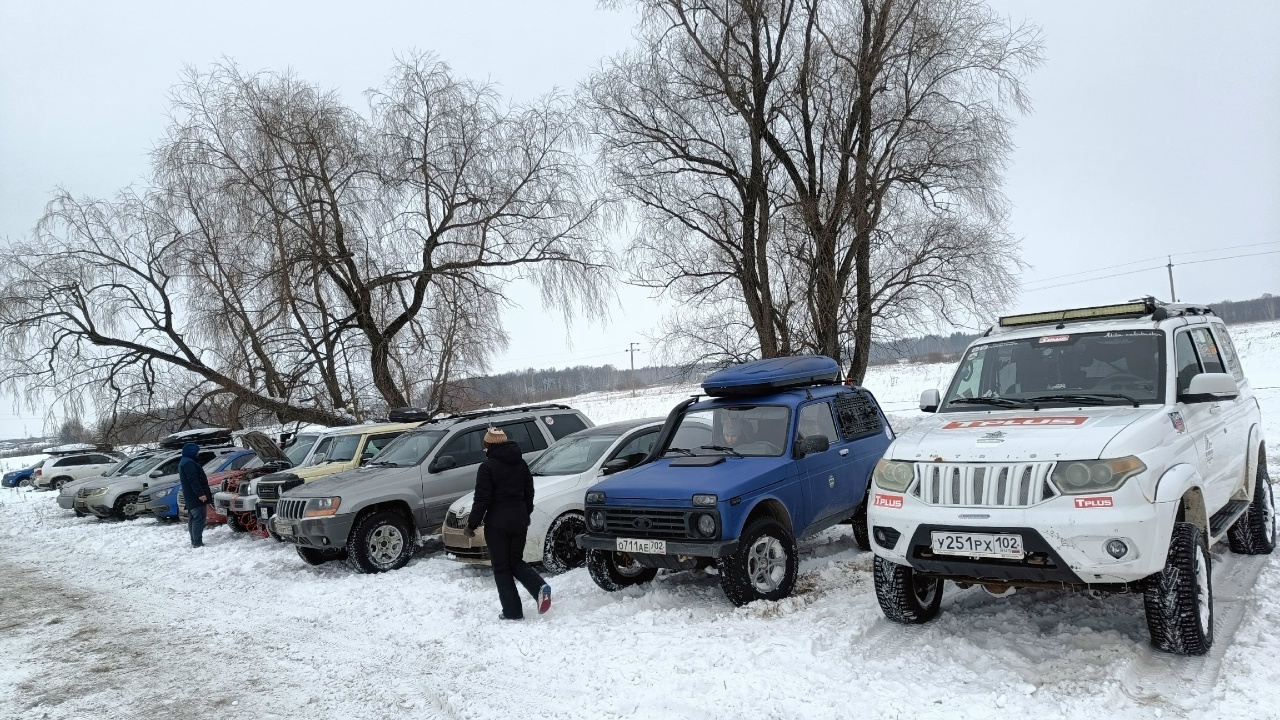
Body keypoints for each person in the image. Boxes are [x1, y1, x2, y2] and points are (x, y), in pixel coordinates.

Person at [465, 427, 551, 620]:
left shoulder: (487, 467)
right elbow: (529, 493)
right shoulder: (521, 464)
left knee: (502, 567)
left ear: (488, 445)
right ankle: (539, 587)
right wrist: (524, 513)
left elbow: (482, 499)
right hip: (519, 521)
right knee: (516, 561)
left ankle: (512, 612)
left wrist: (472, 525)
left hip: (497, 524)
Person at [177, 443, 209, 548]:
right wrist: (201, 494)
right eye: (196, 452)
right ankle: (197, 542)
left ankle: (194, 540)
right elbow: (193, 480)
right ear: (192, 452)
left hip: (190, 496)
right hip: (195, 496)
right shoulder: (189, 463)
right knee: (199, 518)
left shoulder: (185, 461)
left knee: (193, 518)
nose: (197, 454)